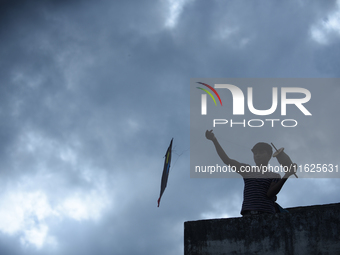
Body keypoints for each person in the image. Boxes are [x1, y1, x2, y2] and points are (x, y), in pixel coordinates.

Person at [205, 129, 295, 216]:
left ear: (269, 156)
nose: (257, 155)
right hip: (248, 213)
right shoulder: (247, 170)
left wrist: (286, 175)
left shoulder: (275, 175)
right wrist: (214, 140)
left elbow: (270, 194)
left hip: (267, 214)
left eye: (261, 152)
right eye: (255, 153)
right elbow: (226, 160)